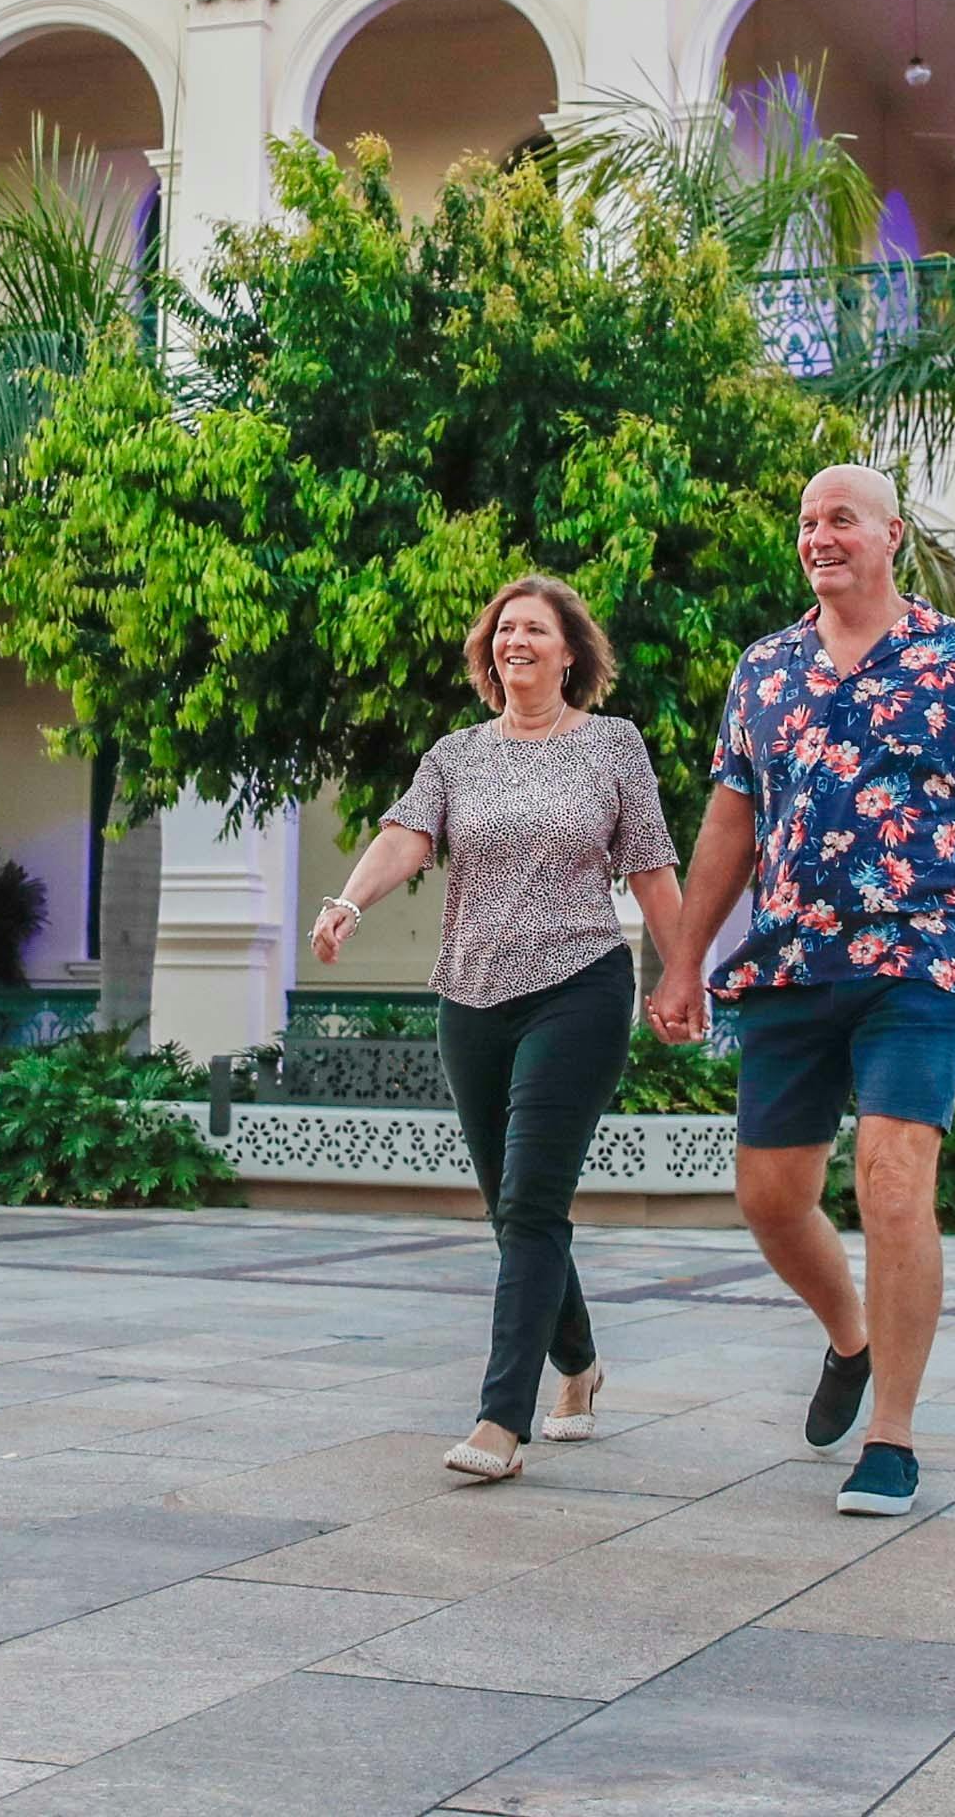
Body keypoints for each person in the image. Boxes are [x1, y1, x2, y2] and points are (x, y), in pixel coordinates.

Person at [654, 464, 955, 1520]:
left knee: (893, 1184)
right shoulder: (765, 668)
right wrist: (684, 958)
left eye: (840, 518)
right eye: (807, 522)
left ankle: (891, 1434)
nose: (819, 536)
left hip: (919, 957)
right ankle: (849, 1336)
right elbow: (728, 824)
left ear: (891, 534)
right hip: (790, 961)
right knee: (769, 1196)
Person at [315, 574, 685, 1483]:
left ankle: (499, 1420)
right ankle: (580, 1365)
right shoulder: (457, 755)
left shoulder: (612, 744)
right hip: (471, 994)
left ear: (570, 653)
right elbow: (407, 835)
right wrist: (349, 902)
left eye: (535, 629)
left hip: (579, 986)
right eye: (504, 629)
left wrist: (681, 975)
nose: (516, 640)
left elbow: (649, 867)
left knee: (530, 1203)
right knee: (510, 1206)